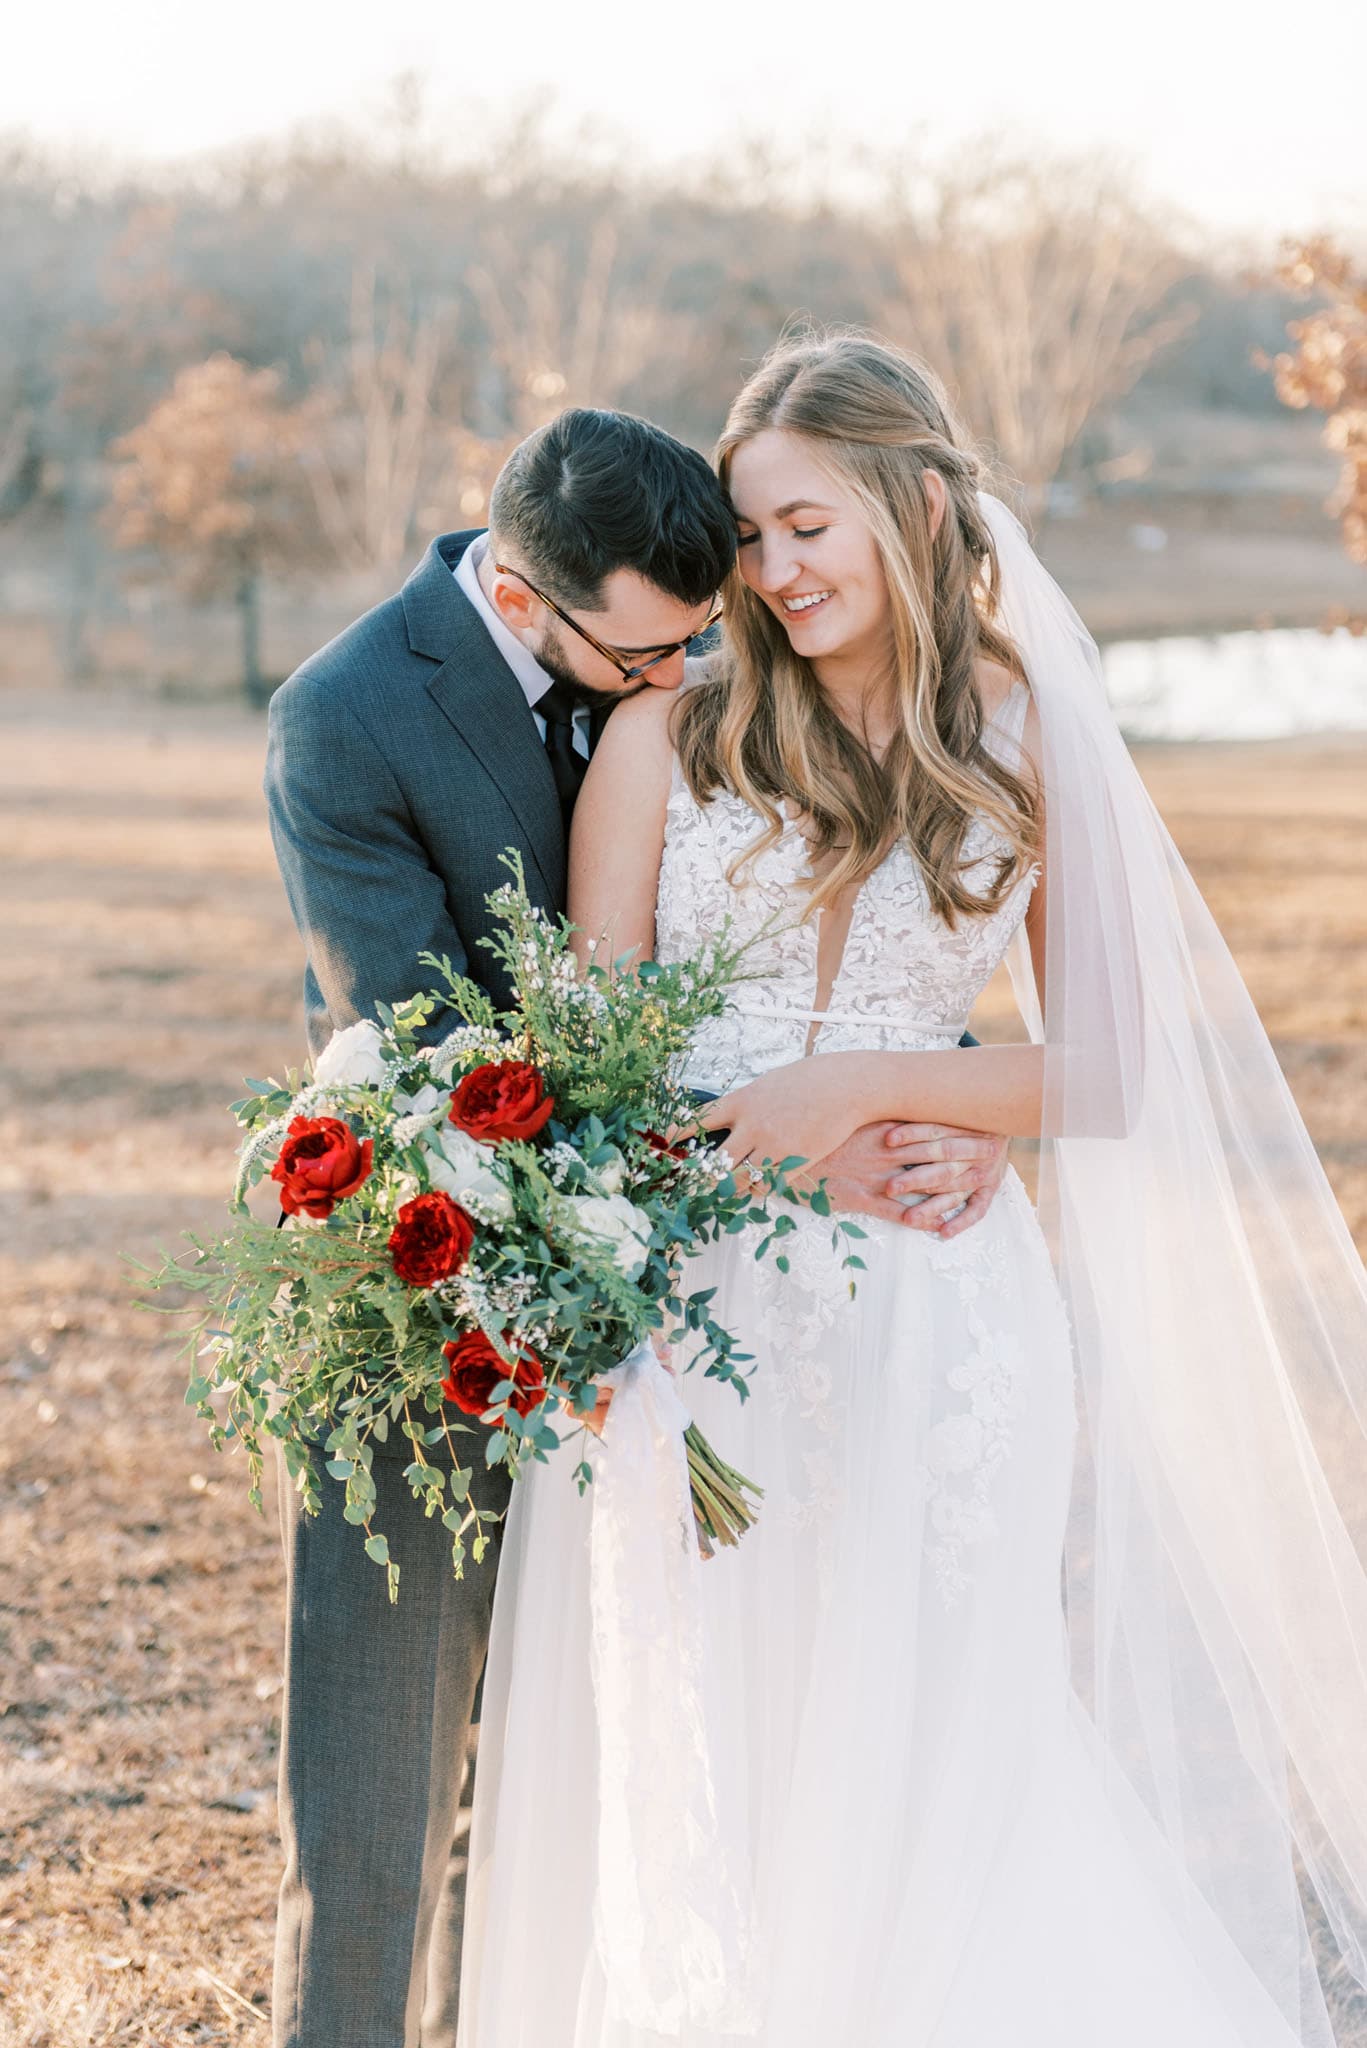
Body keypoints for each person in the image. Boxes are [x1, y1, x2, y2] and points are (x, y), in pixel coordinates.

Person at [456, 336, 1367, 2045]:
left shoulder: (1023, 730)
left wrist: (885, 1085)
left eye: (809, 526)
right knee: (720, 1739)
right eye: (752, 537)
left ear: (915, 502)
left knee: (940, 1729)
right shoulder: (673, 728)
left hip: (944, 1317)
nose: (774, 572)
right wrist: (766, 1118)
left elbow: (1119, 1068)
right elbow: (578, 1057)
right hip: (698, 1321)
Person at [261, 403, 1009, 2048]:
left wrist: (940, 1099)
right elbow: (435, 1047)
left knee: (601, 1751)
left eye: (703, 633)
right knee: (388, 1791)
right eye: (646, 659)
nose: (682, 677)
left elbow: (837, 907)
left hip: (710, 1266)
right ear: (527, 602)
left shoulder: (658, 603)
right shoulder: (347, 715)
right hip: (448, 1263)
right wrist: (716, 1168)